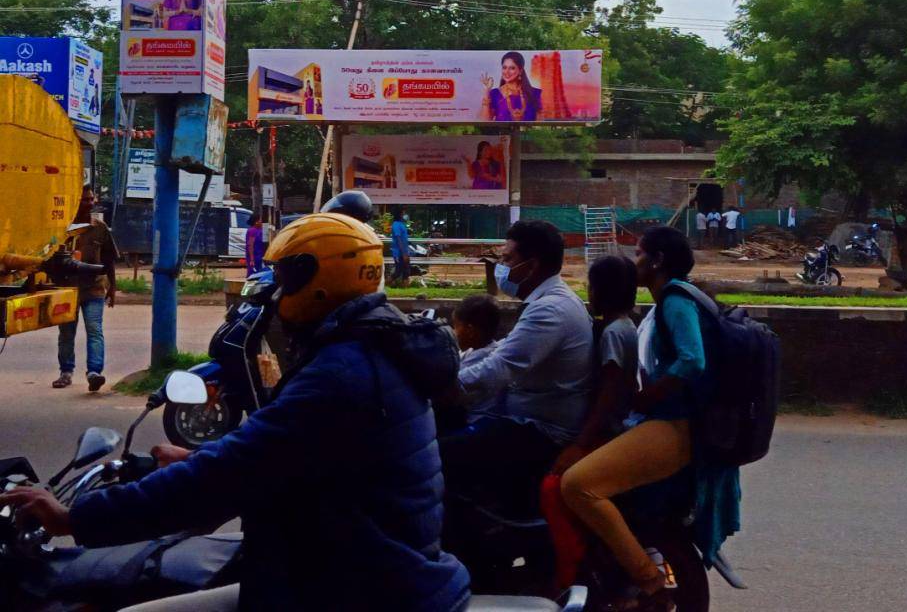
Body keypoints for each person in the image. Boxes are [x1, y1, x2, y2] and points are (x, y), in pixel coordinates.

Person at [0, 214, 471, 611]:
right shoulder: (376, 347)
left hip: (357, 591)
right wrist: (191, 462)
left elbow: (226, 475)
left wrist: (75, 519)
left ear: (315, 280)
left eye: (285, 277)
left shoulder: (342, 373)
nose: (276, 293)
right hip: (366, 566)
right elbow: (282, 457)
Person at [560, 227, 740, 609]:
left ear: (657, 261)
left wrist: (649, 397)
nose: (634, 261)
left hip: (675, 427)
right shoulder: (666, 302)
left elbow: (693, 359)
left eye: (639, 254)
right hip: (671, 423)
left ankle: (650, 581)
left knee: (578, 485)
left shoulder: (675, 299)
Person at [439, 220, 593, 502]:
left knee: (438, 454)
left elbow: (501, 367)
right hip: (522, 416)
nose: (502, 266)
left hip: (539, 428)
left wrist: (446, 386)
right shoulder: (547, 301)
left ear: (532, 266)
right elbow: (499, 355)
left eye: (507, 259)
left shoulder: (550, 310)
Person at [551, 255, 638, 475]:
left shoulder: (613, 333)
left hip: (605, 429)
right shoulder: (625, 325)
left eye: (590, 287)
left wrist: (582, 442)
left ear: (601, 291)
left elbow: (610, 389)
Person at [52, 186, 117, 392]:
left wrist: (113, 287)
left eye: (90, 199)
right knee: (66, 333)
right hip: (67, 290)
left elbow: (108, 260)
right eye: (83, 200)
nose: (88, 203)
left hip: (94, 289)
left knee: (95, 330)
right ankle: (66, 372)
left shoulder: (100, 228)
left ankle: (94, 373)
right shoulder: (62, 228)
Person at [451, 294, 503, 423]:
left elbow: (449, 394)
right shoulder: (478, 350)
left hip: (475, 420)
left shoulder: (480, 359)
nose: (453, 332)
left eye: (456, 326)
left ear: (470, 331)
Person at [480, 51, 543, 122]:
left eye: (512, 68)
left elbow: (541, 125)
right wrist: (486, 91)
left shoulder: (535, 94)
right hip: (502, 133)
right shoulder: (495, 94)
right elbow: (484, 122)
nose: (506, 72)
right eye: (504, 67)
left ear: (520, 71)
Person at [390, 208, 411, 286]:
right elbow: (399, 239)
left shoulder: (402, 224)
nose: (405, 215)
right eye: (404, 213)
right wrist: (404, 253)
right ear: (400, 215)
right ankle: (387, 283)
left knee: (406, 271)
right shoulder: (396, 225)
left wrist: (406, 252)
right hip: (399, 252)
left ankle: (405, 286)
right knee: (398, 271)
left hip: (404, 251)